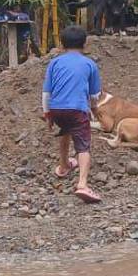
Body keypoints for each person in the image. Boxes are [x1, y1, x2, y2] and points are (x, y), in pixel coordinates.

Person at [42, 25, 103, 203]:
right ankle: (83, 184)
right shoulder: (90, 64)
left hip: (57, 108)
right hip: (77, 109)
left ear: (62, 44)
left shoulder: (54, 62)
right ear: (84, 44)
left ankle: (63, 166)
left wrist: (47, 114)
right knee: (83, 146)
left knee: (65, 131)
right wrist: (94, 109)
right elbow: (94, 95)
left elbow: (46, 92)